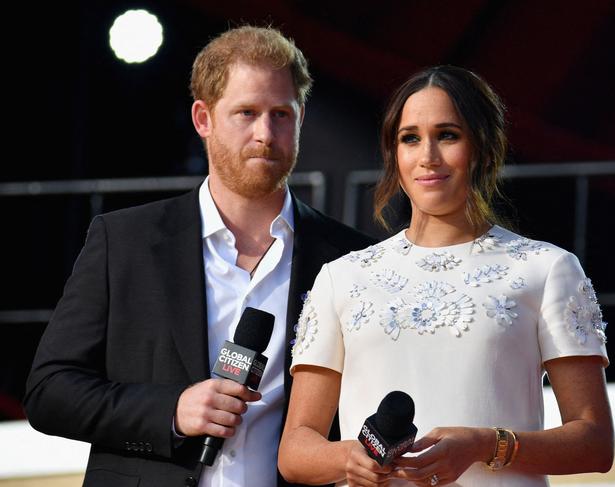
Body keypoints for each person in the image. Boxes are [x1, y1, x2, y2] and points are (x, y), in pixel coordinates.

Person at [24, 26, 374, 487]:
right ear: (203, 118)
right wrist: (171, 410)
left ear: (301, 117)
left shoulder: (349, 258)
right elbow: (50, 392)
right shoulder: (124, 240)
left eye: (281, 114)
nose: (265, 133)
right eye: (246, 113)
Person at [278, 65, 614, 487]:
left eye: (448, 135)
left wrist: (484, 444)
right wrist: (348, 457)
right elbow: (295, 450)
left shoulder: (546, 269)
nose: (427, 156)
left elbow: (595, 442)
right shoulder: (342, 278)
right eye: (410, 138)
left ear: (483, 147)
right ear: (393, 153)